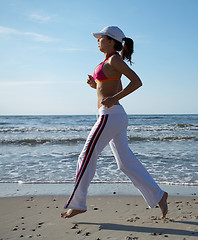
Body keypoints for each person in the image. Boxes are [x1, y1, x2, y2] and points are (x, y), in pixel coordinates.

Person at [61, 26, 168, 219]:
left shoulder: (114, 59)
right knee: (125, 163)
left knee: (85, 157)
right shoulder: (108, 62)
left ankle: (78, 203)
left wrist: (113, 99)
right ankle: (158, 195)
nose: (97, 40)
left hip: (110, 115)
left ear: (111, 41)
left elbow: (136, 81)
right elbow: (115, 85)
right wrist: (96, 86)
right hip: (113, 115)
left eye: (100, 37)